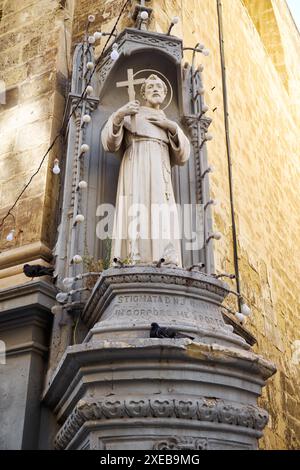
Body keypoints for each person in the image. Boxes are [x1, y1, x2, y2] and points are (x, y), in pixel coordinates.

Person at [101, 74, 190, 266]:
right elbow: (110, 143)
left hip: (160, 170)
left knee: (161, 211)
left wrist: (172, 128)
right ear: (143, 93)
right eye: (150, 87)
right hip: (136, 166)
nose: (156, 89)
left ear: (165, 94)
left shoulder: (168, 123)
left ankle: (163, 257)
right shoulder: (132, 114)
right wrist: (119, 115)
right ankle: (134, 256)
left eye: (159, 86)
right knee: (137, 208)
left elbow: (183, 156)